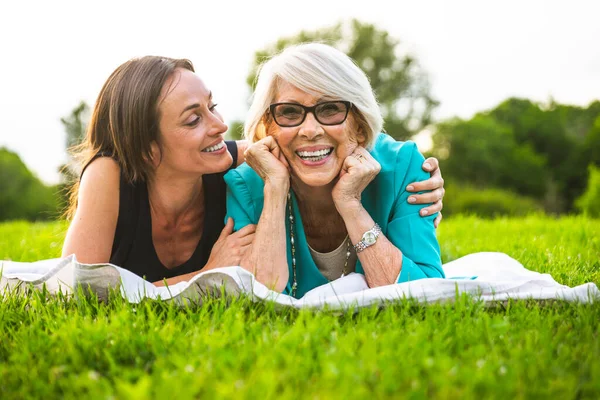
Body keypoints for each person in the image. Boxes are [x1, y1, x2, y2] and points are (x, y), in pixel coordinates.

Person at [62, 54, 445, 286]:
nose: (218, 126)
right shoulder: (110, 174)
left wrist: (409, 181)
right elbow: (74, 289)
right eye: (193, 120)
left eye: (212, 107)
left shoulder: (230, 158)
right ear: (147, 148)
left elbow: (315, 141)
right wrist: (205, 275)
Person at [225, 43, 444, 298]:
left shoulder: (403, 168)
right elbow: (258, 300)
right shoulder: (245, 185)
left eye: (330, 109)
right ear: (267, 127)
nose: (310, 130)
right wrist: (275, 188)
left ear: (360, 125)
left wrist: (350, 204)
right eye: (290, 112)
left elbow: (427, 293)